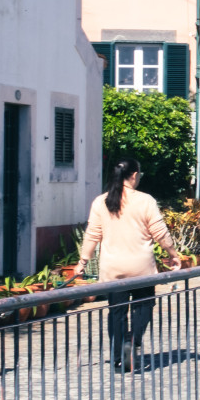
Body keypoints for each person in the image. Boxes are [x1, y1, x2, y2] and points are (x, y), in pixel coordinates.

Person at [78, 160, 188, 373]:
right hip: (141, 268)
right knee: (145, 306)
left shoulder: (102, 201)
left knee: (116, 313)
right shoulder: (145, 200)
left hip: (113, 268)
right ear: (135, 175)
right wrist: (173, 254)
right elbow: (160, 233)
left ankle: (119, 358)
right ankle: (133, 338)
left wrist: (82, 261)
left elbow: (92, 234)